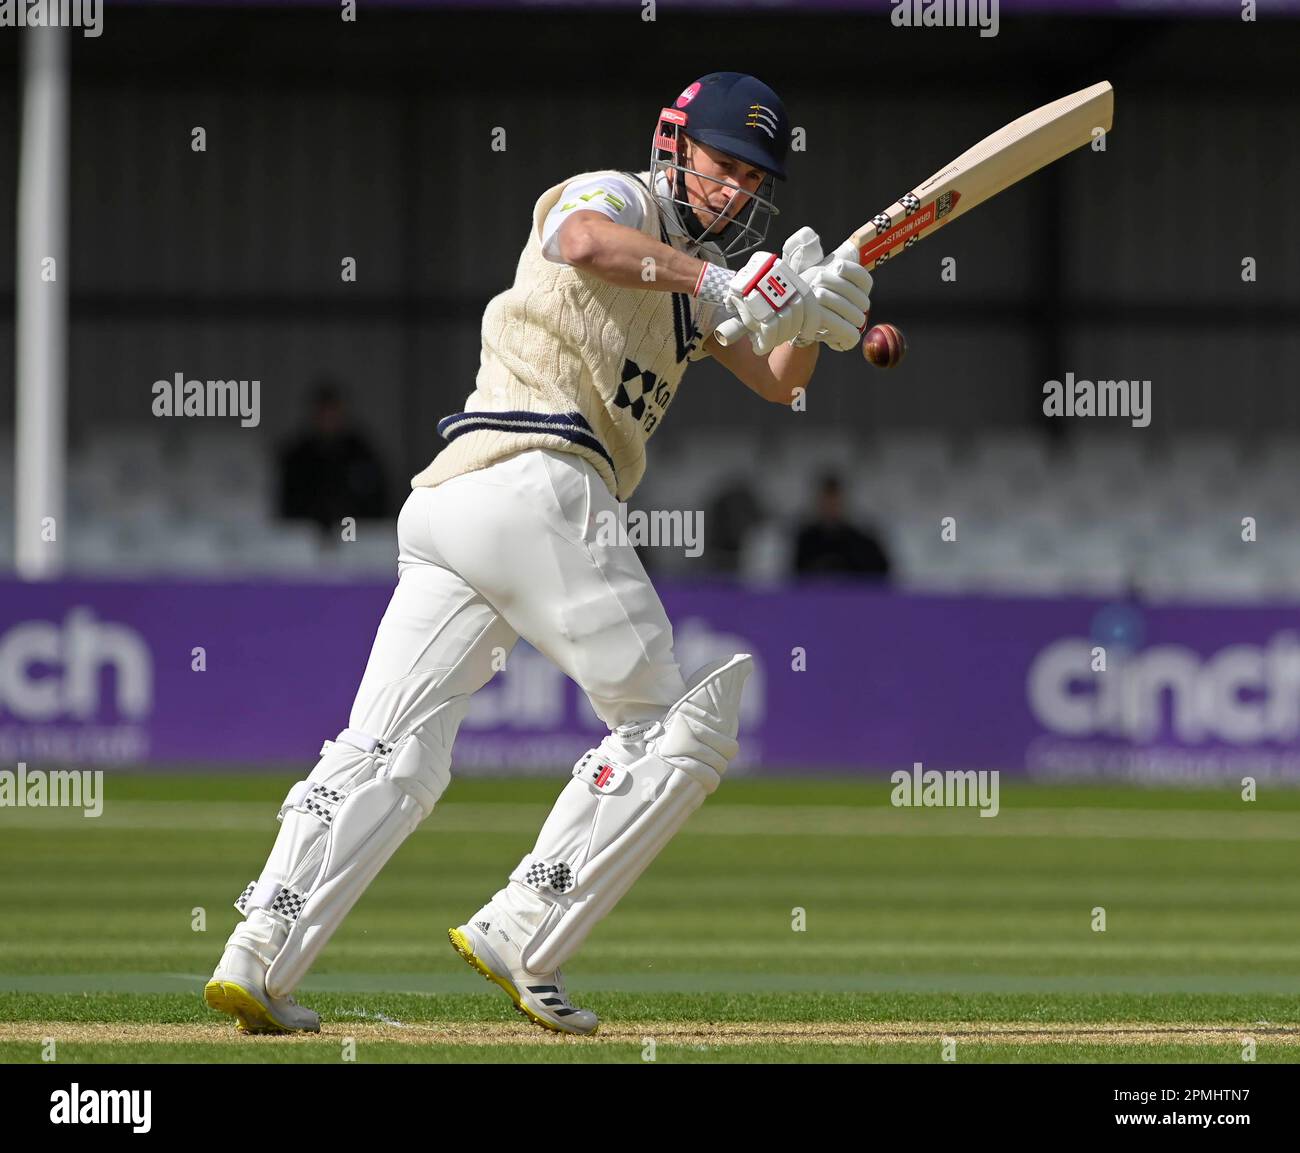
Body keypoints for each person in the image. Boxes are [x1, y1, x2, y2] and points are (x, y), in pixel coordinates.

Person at [205, 72, 873, 1037]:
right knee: (677, 729)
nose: (731, 192)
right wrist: (725, 279)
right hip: (538, 478)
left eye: (749, 180)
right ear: (674, 143)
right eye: (720, 165)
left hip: (453, 510)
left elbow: (777, 380)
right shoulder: (617, 194)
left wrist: (815, 316)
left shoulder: (694, 279)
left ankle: (255, 958)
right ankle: (524, 926)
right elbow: (581, 241)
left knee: (392, 754)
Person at [278, 382, 388, 534]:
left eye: (333, 411)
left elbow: (378, 501)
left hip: (358, 537)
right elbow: (288, 505)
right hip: (306, 539)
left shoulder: (362, 452)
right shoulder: (297, 456)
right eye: (323, 413)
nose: (328, 418)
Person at [794, 472, 891, 580]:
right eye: (826, 501)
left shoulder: (861, 541)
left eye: (834, 502)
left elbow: (881, 572)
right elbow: (797, 576)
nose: (830, 507)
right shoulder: (806, 540)